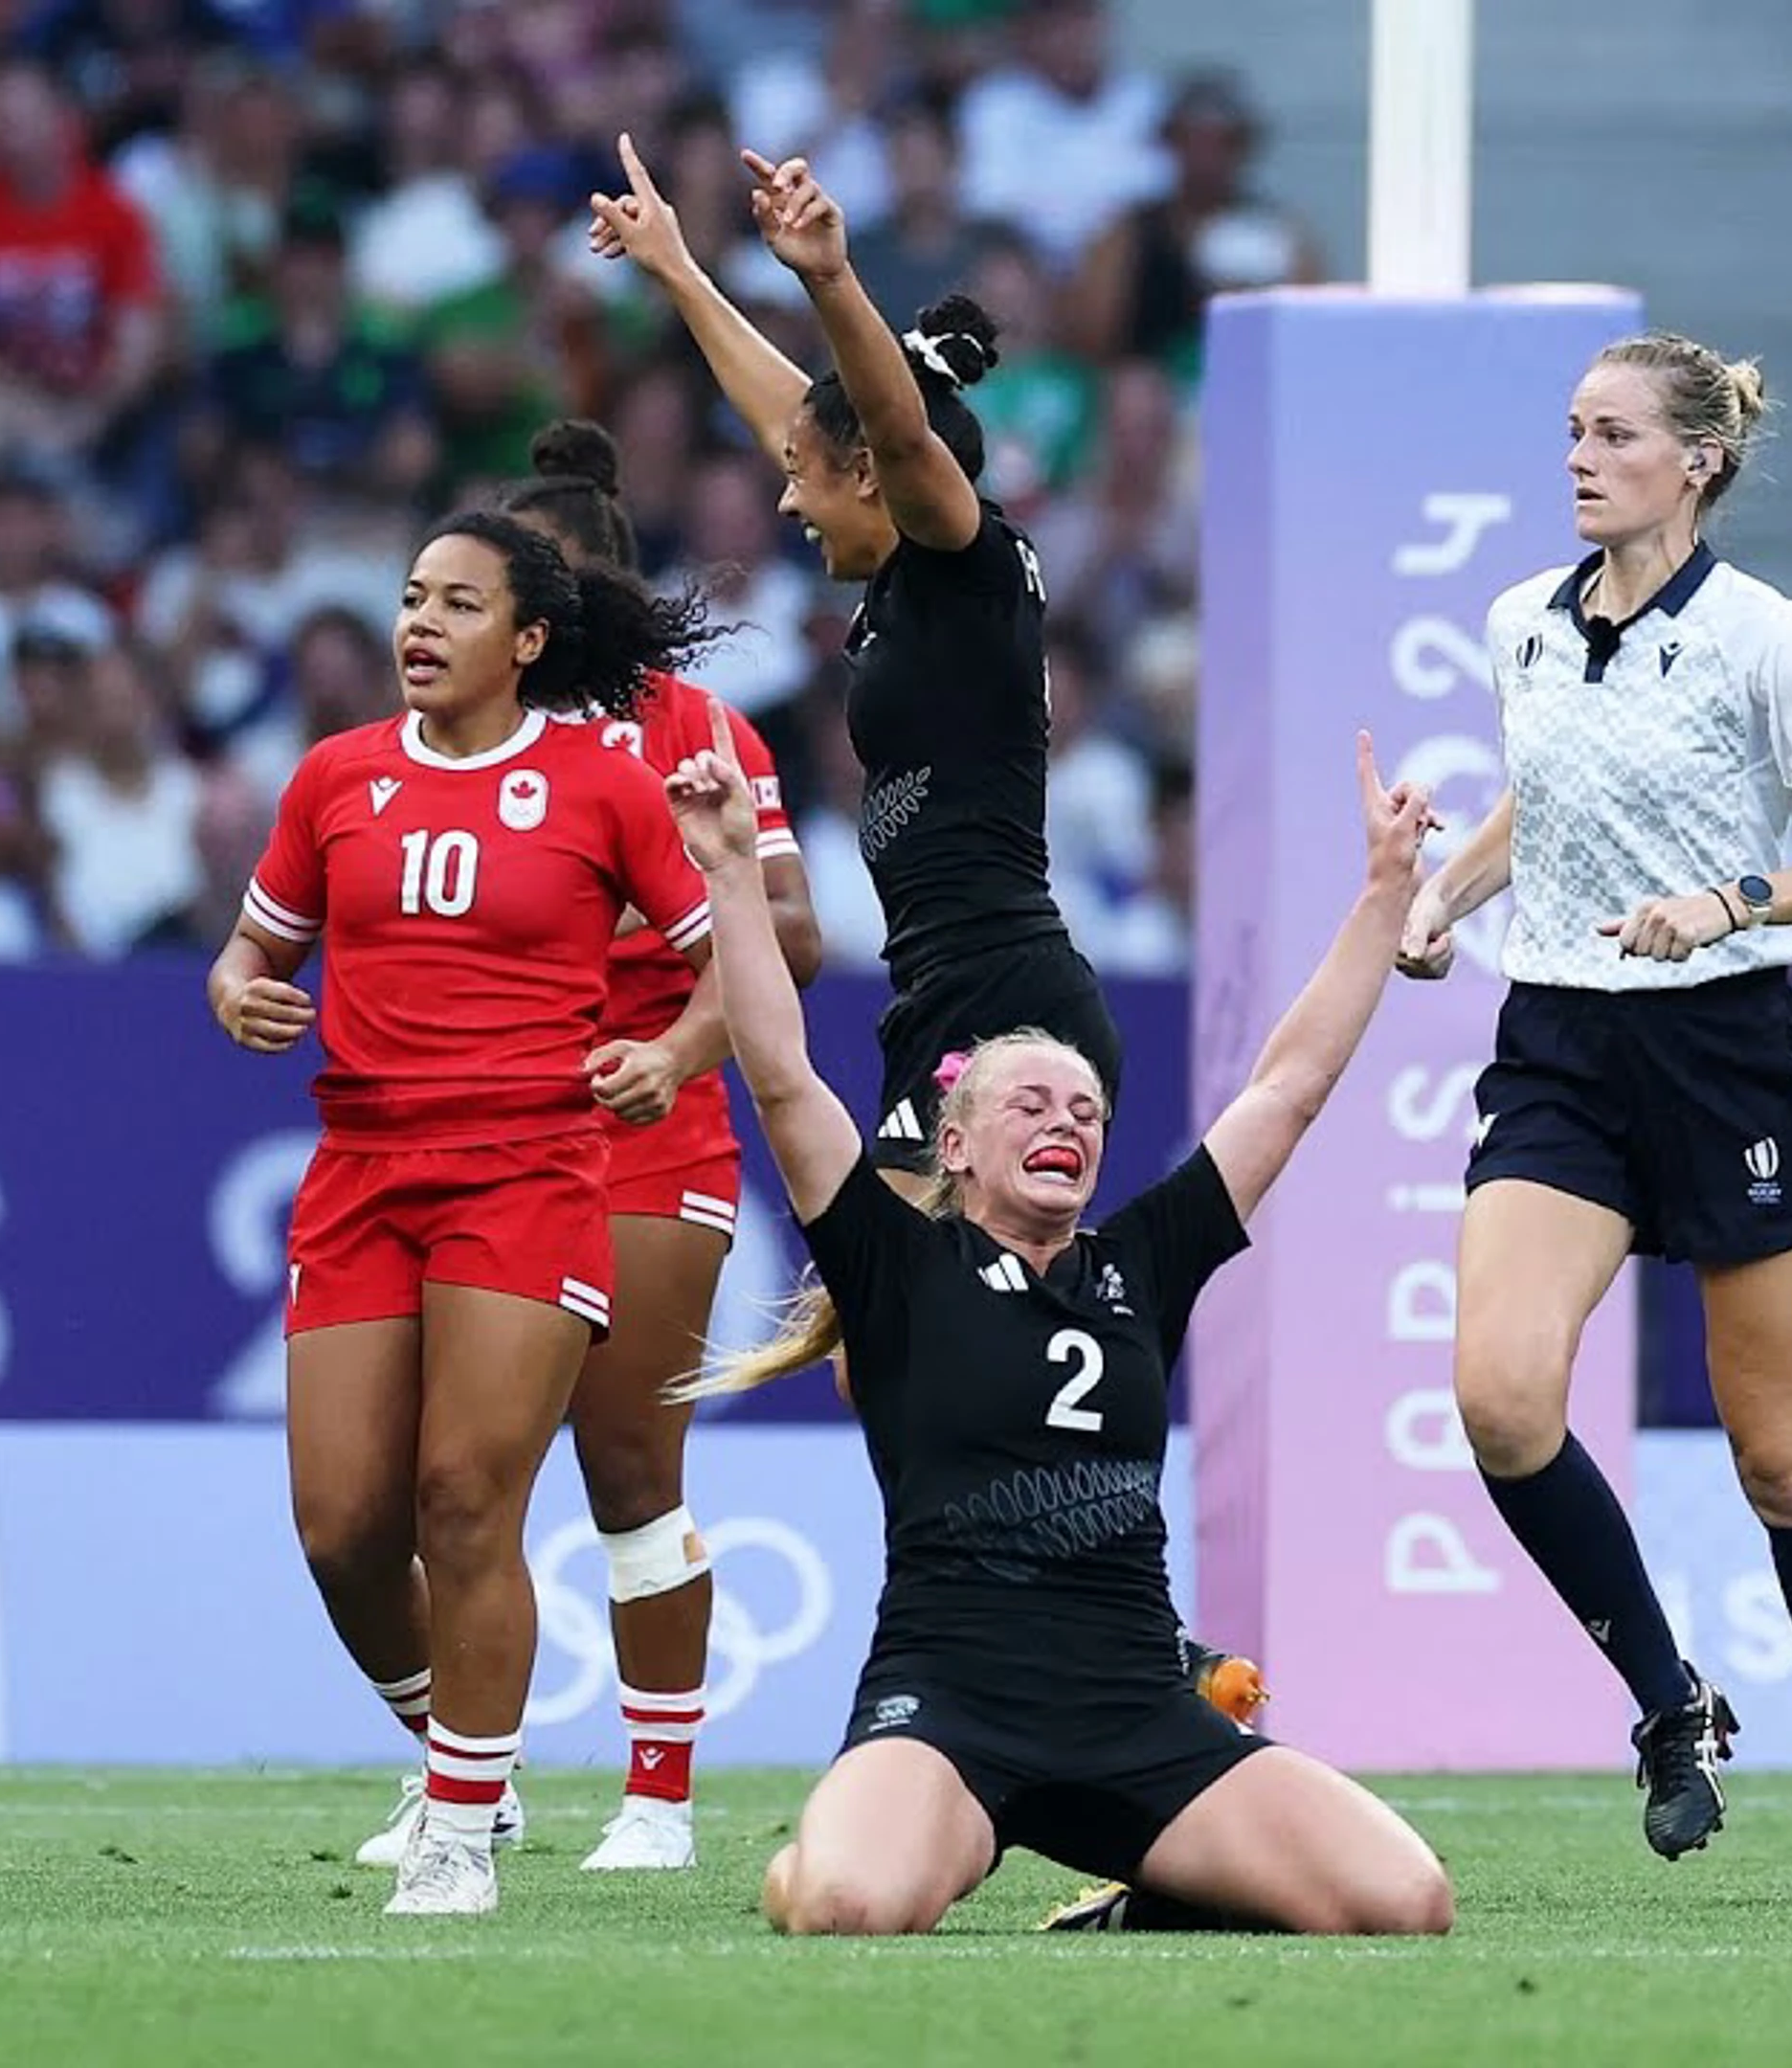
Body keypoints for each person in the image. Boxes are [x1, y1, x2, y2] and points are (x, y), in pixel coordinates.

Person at [593, 133, 1270, 1721]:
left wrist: (828, 273)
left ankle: (1124, 1629)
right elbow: (813, 417)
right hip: (949, 996)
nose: (777, 485)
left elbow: (872, 424)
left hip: (1009, 998)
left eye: (804, 477)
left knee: (932, 1331)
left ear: (884, 480)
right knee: (890, 1345)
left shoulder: (960, 564)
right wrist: (689, 269)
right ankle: (1110, 1623)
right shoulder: (898, 574)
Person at [666, 708, 1452, 1940]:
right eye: (1031, 1102)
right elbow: (779, 1075)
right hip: (949, 1701)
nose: (1066, 1123)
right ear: (960, 1145)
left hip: (1138, 1705)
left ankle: (1144, 1900)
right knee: (844, 1908)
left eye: (1085, 1109)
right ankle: (818, 1854)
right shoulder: (896, 1262)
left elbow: (1288, 1088)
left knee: (1405, 1902)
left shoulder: (1146, 1257)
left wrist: (1381, 892)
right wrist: (725, 871)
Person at [1398, 331, 1792, 1904]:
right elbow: (1548, 791)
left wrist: (1734, 901)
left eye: (1614, 433)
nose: (1579, 456)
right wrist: (1446, 889)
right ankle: (1670, 1704)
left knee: (1783, 1459)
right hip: (1563, 1044)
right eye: (1570, 430)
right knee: (1502, 1401)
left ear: (1695, 461)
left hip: (1726, 1054)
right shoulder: (1521, 622)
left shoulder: (1767, 641)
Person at [211, 510, 728, 1917]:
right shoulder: (336, 777)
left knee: (465, 1500)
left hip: (527, 1171)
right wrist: (240, 990)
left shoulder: (599, 783)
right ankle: (470, 1762)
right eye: (410, 599)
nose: (420, 626)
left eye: (457, 604)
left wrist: (674, 1058)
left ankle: (456, 1829)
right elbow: (255, 944)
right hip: (361, 1173)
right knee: (338, 1526)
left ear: (530, 641)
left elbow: (731, 956)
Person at [349, 418, 818, 1876]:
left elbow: (790, 929)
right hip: (468, 1139)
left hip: (643, 1131)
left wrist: (594, 935)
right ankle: (460, 1779)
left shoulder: (698, 732)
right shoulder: (436, 751)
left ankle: (661, 1797)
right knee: (447, 1482)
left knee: (628, 1462)